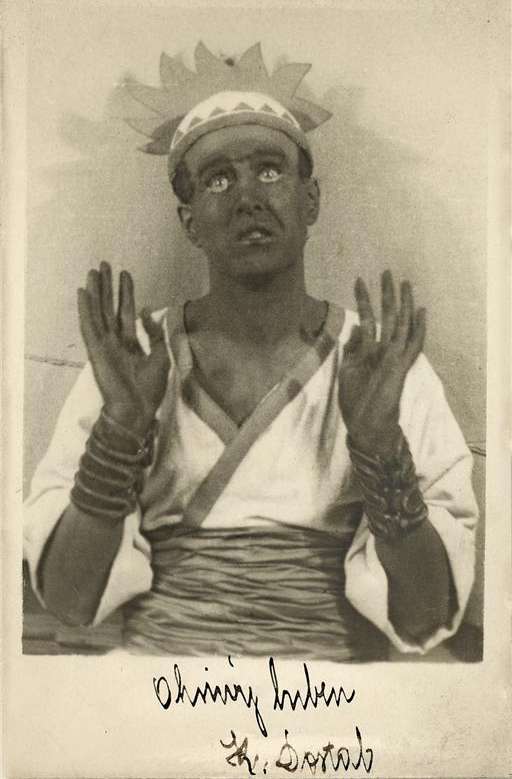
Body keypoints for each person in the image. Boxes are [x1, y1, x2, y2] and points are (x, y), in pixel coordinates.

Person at [24, 43, 478, 660]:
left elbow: (426, 619)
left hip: (327, 697)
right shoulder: (135, 359)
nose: (247, 198)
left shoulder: (379, 365)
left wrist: (378, 445)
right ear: (189, 221)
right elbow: (68, 599)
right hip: (163, 688)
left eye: (269, 171)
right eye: (218, 179)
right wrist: (120, 429)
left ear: (310, 201)